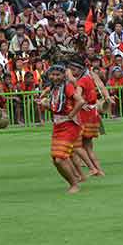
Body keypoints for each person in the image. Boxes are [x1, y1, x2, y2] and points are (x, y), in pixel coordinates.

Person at [38, 64, 85, 194]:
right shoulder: (54, 89)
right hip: (58, 125)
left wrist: (71, 115)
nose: (54, 77)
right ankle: (74, 181)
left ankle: (75, 184)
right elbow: (55, 109)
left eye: (58, 75)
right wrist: (44, 104)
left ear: (64, 75)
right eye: (52, 74)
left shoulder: (67, 87)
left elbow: (80, 101)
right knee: (55, 160)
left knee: (60, 158)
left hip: (69, 126)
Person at [68, 57, 111, 177]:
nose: (72, 72)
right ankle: (98, 170)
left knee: (75, 146)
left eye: (73, 69)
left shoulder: (81, 81)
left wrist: (82, 104)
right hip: (93, 115)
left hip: (84, 115)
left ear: (80, 69)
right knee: (88, 147)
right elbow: (101, 86)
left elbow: (78, 95)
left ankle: (84, 171)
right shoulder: (89, 78)